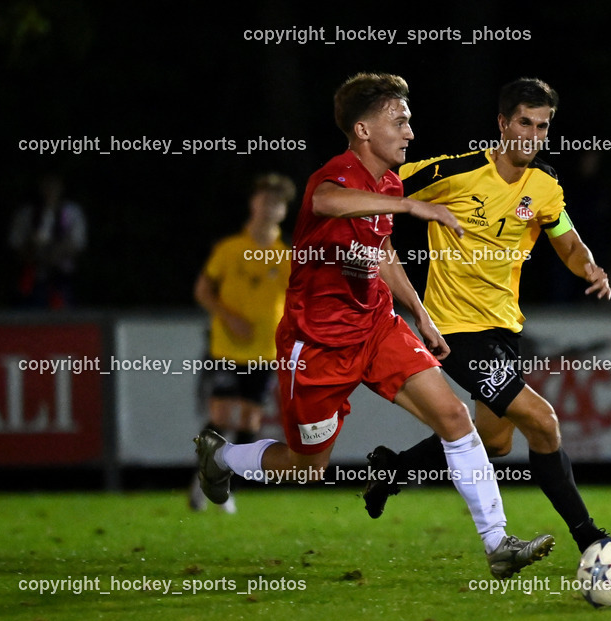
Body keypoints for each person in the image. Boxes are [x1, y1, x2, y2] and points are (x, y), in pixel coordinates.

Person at [194, 72, 553, 579]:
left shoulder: (385, 182)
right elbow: (326, 203)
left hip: (377, 325)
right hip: (317, 344)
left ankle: (498, 543)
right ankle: (224, 457)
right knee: (306, 470)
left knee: (454, 416)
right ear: (363, 130)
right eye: (399, 121)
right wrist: (409, 204)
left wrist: (419, 312)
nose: (410, 131)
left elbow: (381, 250)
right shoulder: (335, 175)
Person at [362, 77, 611, 553]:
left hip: (504, 328)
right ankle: (590, 539)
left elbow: (567, 240)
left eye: (543, 126)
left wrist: (590, 267)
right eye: (524, 123)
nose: (533, 135)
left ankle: (392, 469)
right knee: (542, 420)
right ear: (502, 123)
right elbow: (379, 183)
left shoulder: (545, 186)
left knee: (496, 444)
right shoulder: (453, 172)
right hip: (455, 328)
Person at [188, 172, 297, 513]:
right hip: (226, 348)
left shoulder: (287, 257)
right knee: (221, 416)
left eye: (277, 203)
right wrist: (229, 315)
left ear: (284, 211)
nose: (270, 207)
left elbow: (298, 304)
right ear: (253, 203)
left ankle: (217, 482)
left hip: (265, 352)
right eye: (265, 199)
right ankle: (202, 483)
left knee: (250, 424)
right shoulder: (230, 249)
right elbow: (203, 291)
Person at [8, 172, 88, 309]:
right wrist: (33, 250)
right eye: (47, 186)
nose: (50, 190)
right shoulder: (26, 213)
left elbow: (78, 243)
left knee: (64, 318)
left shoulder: (72, 212)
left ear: (61, 188)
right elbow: (16, 243)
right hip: (33, 277)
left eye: (54, 186)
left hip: (62, 276)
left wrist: (57, 252)